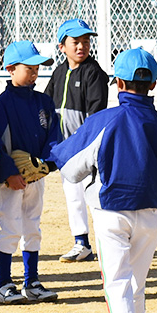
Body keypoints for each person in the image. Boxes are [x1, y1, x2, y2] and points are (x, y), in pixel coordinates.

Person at [50, 48, 157, 313]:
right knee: (135, 280)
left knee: (117, 280)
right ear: (152, 85)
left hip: (111, 211)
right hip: (151, 214)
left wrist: (49, 155)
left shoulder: (105, 120)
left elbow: (70, 167)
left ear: (118, 84)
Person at [0, 41, 62, 305]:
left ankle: (32, 281)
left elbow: (54, 136)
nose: (34, 73)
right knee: (10, 227)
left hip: (35, 177)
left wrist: (48, 163)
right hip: (11, 180)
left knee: (33, 225)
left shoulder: (43, 101)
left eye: (37, 68)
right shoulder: (3, 104)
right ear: (10, 69)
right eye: (28, 68)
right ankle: (4, 284)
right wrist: (8, 173)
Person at [44, 18, 110, 263]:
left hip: (85, 149)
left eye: (86, 41)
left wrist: (83, 145)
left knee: (92, 195)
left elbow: (96, 115)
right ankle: (81, 243)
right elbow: (48, 107)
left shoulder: (94, 73)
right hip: (65, 150)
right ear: (62, 46)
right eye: (75, 42)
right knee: (73, 195)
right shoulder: (59, 73)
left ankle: (106, 242)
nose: (82, 46)